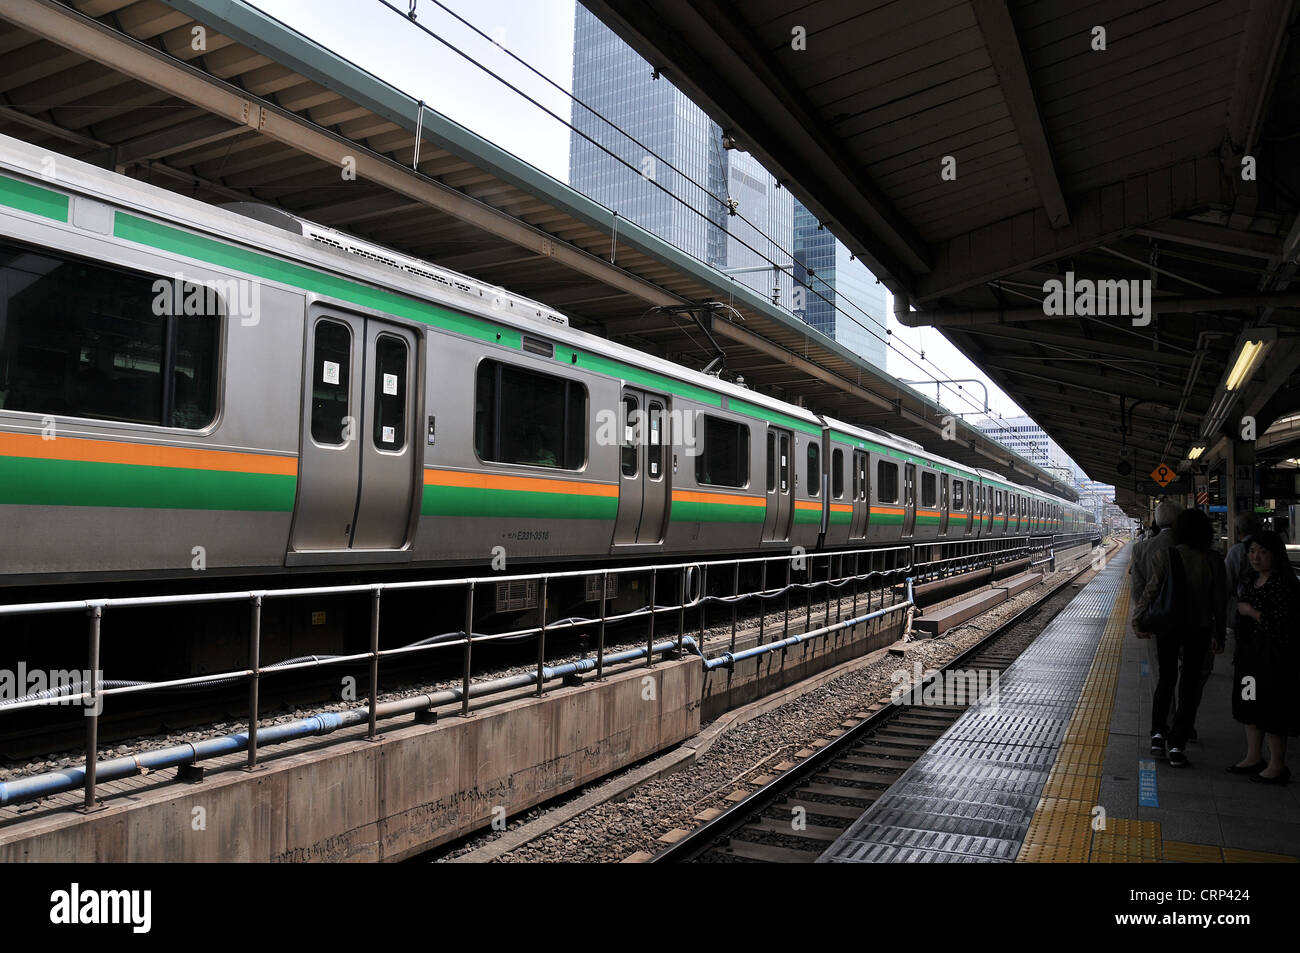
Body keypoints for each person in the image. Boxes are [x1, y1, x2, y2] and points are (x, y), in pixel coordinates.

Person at [1133, 508, 1225, 767]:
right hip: (1200, 628)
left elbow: (1150, 592)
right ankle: (1177, 744)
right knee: (1189, 685)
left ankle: (1158, 735)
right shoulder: (1214, 560)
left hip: (1169, 627)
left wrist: (1137, 620)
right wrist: (1220, 634)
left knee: (1166, 679)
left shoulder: (1168, 554)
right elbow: (1219, 601)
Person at [1228, 531, 1300, 783]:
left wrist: (1252, 612)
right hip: (1250, 657)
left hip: (1274, 658)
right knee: (1249, 703)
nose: (1255, 557)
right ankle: (1253, 756)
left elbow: (1285, 625)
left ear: (1275, 555)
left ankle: (1277, 765)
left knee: (1272, 708)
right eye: (1252, 552)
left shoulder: (1283, 584)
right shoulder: (1251, 580)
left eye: (1262, 552)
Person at [1131, 501, 1182, 735]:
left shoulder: (1142, 549)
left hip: (1156, 620)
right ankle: (1183, 720)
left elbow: (1138, 591)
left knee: (1160, 673)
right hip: (1188, 621)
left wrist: (1141, 620)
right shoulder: (1189, 547)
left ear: (1157, 521)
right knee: (1189, 673)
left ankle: (1166, 722)